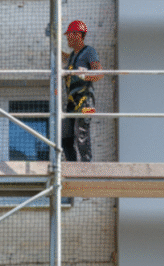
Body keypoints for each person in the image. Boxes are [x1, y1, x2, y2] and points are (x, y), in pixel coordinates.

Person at [61, 20, 102, 162]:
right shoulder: (73, 56)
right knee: (65, 137)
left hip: (86, 102)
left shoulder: (89, 52)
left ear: (78, 35)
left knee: (82, 135)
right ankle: (72, 166)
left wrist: (84, 74)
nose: (67, 38)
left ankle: (86, 167)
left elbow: (99, 73)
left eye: (69, 34)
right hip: (72, 103)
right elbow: (68, 63)